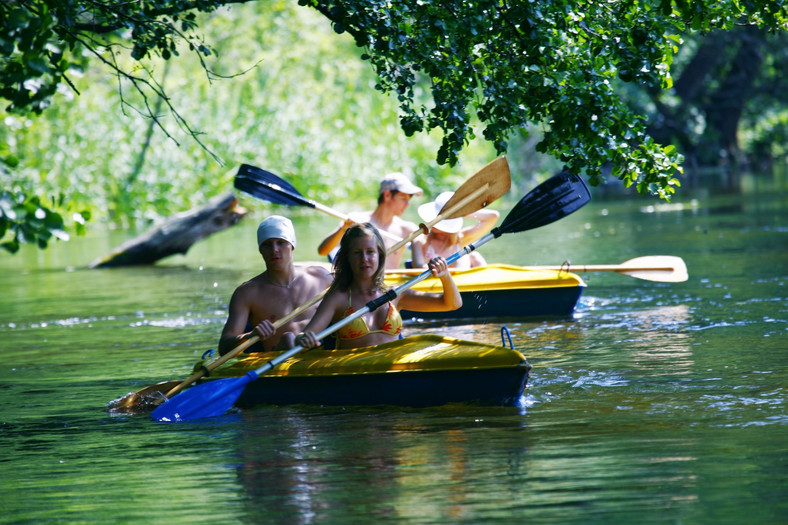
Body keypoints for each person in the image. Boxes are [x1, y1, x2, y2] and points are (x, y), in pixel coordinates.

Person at [296, 223, 462, 350]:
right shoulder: (338, 297)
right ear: (347, 258)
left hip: (392, 372)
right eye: (357, 253)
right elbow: (306, 335)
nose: (364, 259)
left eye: (370, 252)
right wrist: (303, 339)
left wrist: (445, 276)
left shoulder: (396, 294)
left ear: (379, 255)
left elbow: (452, 304)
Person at [218, 215, 333, 355]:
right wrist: (249, 336)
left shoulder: (321, 277)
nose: (274, 250)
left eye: (280, 242)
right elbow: (224, 346)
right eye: (267, 244)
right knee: (288, 338)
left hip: (321, 356)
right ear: (260, 250)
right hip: (277, 361)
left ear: (292, 246)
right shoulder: (247, 293)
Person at [317, 171, 423, 269]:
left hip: (390, 286)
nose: (407, 205)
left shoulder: (408, 229)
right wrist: (343, 229)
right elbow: (323, 251)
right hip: (359, 286)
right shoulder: (357, 220)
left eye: (408, 200)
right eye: (403, 198)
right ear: (387, 195)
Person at [411, 191, 500, 269]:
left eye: (439, 218)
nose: (433, 221)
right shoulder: (419, 240)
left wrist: (461, 212)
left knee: (474, 256)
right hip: (432, 286)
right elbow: (419, 267)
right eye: (436, 216)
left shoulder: (461, 238)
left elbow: (493, 217)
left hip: (460, 285)